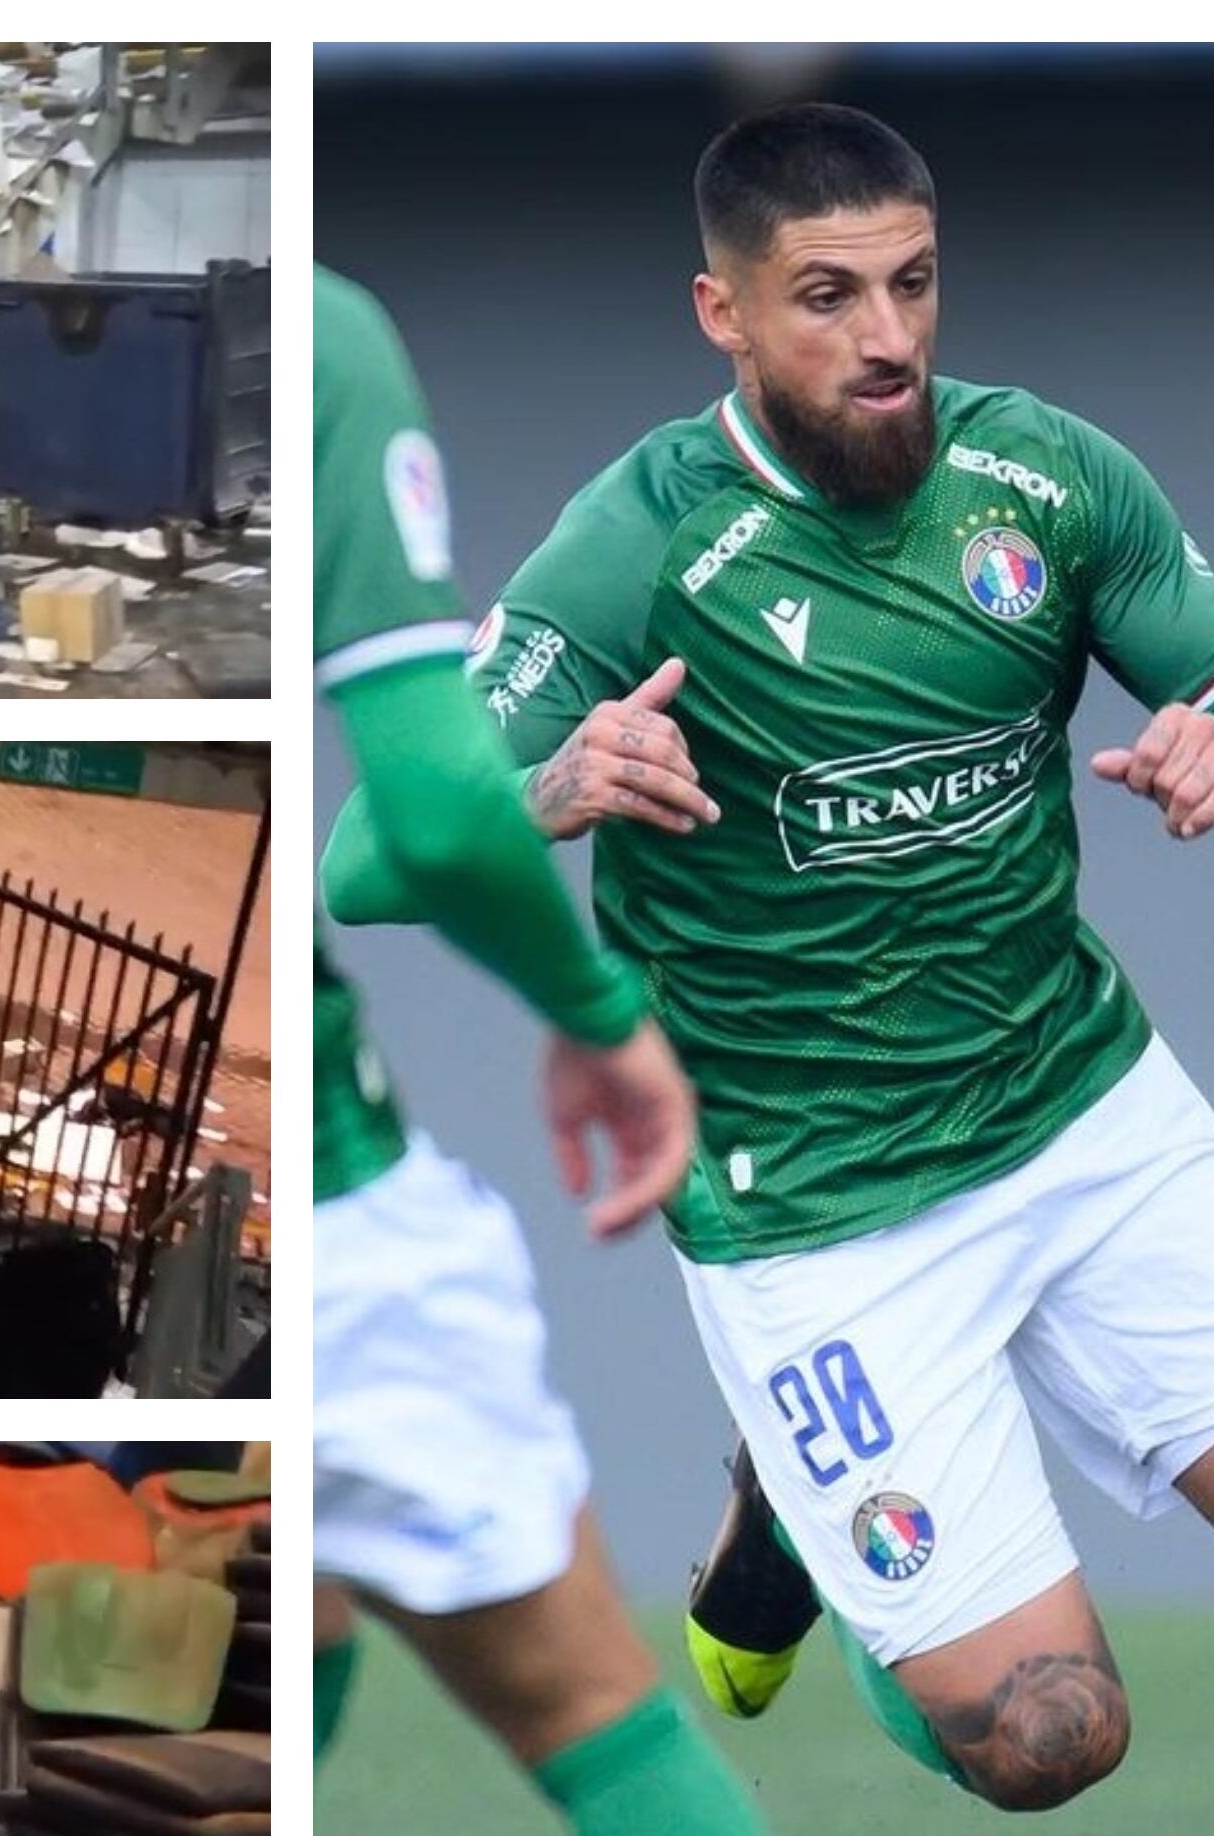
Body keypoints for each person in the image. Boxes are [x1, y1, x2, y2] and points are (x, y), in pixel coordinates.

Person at [323, 105, 1214, 1826]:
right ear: (723, 315)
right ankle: (816, 1551)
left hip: (1081, 1111)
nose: (886, 336)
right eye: (824, 296)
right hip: (811, 1207)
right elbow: (365, 862)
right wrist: (550, 785)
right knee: (1045, 1742)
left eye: (909, 284)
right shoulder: (635, 544)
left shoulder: (1043, 478)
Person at [312, 263, 767, 1836]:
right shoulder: (315, 334)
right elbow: (423, 824)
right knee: (596, 1717)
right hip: (316, 1230)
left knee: (205, 1650)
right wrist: (601, 1016)